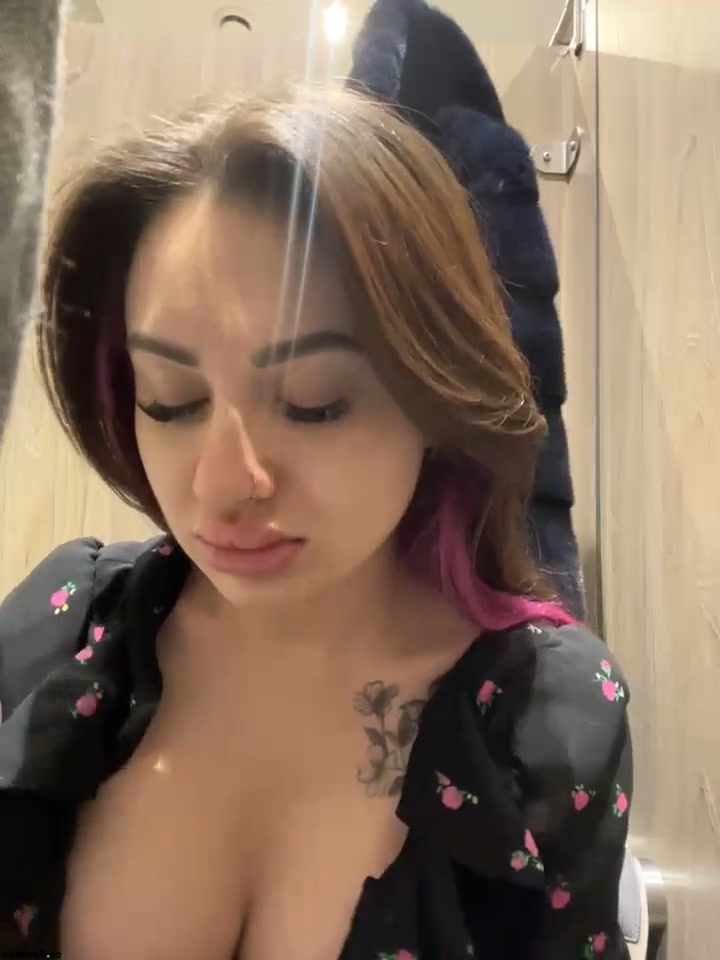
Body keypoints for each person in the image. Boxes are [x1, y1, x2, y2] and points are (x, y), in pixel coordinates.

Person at [0, 84, 632, 959]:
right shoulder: (65, 630)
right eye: (171, 400)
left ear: (437, 396)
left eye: (316, 401)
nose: (223, 485)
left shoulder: (545, 721)